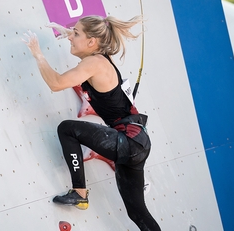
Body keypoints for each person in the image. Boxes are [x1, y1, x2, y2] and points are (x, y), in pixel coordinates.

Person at [23, 15, 161, 231]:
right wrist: (69, 33)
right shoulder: (102, 59)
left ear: (91, 42)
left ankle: (79, 193)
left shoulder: (94, 62)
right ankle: (81, 195)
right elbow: (86, 43)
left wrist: (38, 54)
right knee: (137, 212)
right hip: (137, 142)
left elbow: (57, 83)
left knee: (67, 129)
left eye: (75, 33)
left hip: (129, 140)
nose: (71, 37)